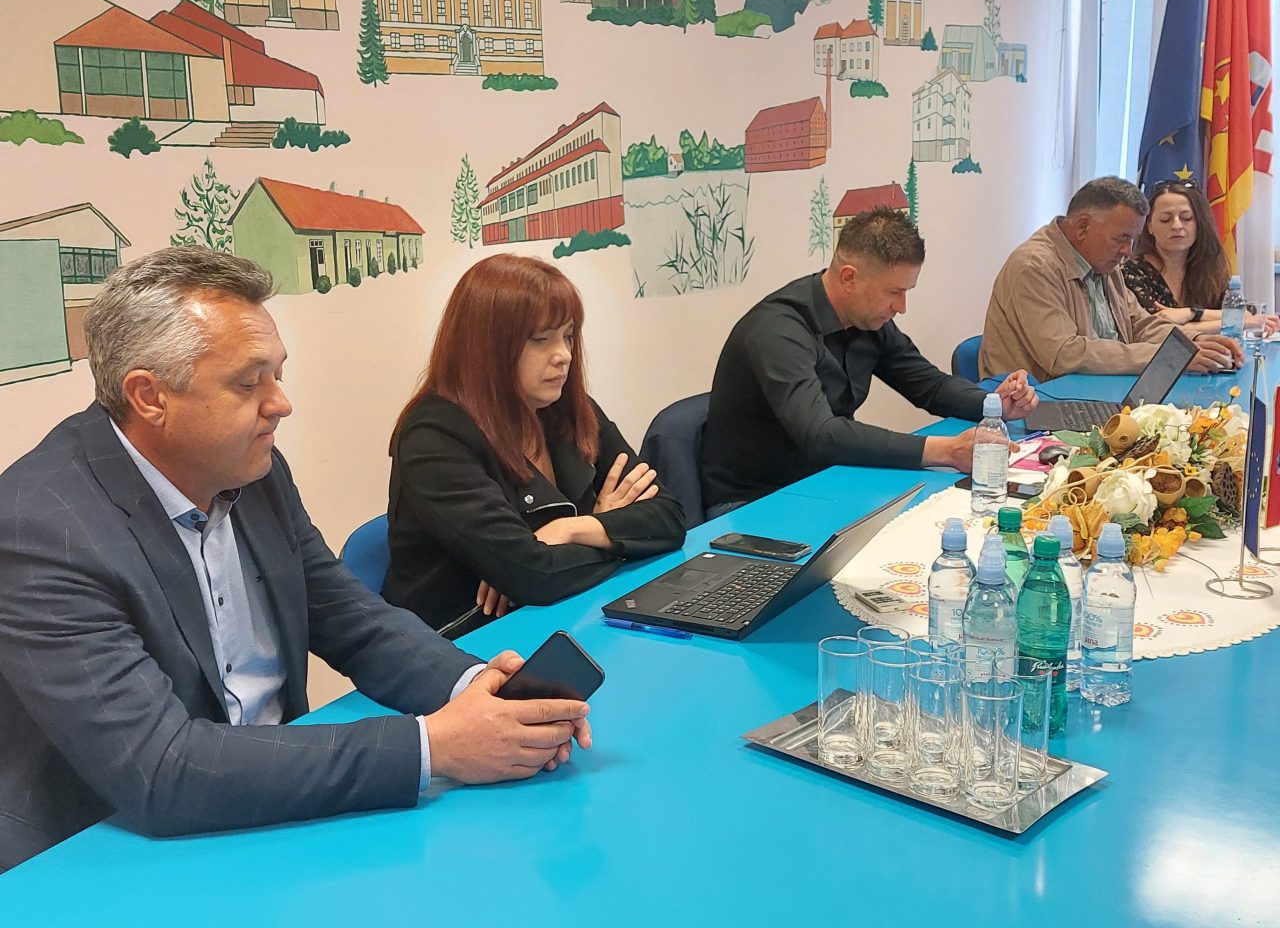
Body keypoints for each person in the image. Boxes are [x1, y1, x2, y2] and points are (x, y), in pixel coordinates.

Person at [0, 247, 591, 873]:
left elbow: (348, 617)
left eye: (278, 375)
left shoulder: (251, 468)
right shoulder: (41, 532)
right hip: (101, 850)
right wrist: (434, 746)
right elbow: (162, 767)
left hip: (276, 798)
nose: (280, 403)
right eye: (248, 383)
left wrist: (476, 689)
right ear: (149, 396)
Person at [383, 254, 686, 636]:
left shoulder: (565, 408)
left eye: (568, 336)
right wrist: (614, 534)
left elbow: (670, 518)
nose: (564, 355)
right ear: (486, 347)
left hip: (569, 615)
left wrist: (573, 529)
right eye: (541, 340)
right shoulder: (434, 438)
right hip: (466, 643)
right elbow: (534, 575)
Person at [700, 206, 1039, 514]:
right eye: (893, 292)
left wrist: (992, 405)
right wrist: (946, 451)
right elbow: (821, 434)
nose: (901, 307)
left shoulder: (867, 319)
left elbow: (929, 386)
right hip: (755, 502)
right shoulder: (778, 330)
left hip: (828, 479)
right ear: (849, 277)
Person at [980, 176, 1243, 382]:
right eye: (1122, 238)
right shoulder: (1034, 266)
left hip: (1095, 390)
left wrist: (1192, 343)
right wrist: (1170, 356)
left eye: (1133, 239)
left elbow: (1140, 324)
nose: (1128, 251)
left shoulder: (1105, 261)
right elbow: (1064, 355)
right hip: (1037, 405)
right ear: (1083, 226)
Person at [1122, 179, 1280, 334]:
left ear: (1199, 223)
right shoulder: (1133, 273)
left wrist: (1192, 313)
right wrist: (1239, 323)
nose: (1176, 225)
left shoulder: (1209, 267)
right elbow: (1159, 331)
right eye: (1165, 219)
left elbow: (1243, 314)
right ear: (1149, 226)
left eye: (1186, 218)